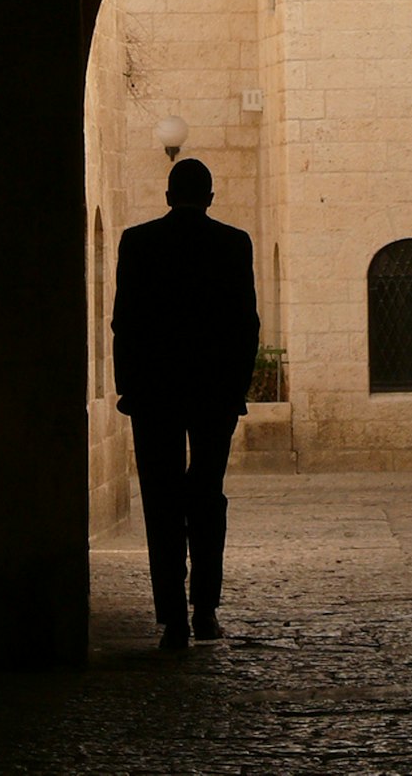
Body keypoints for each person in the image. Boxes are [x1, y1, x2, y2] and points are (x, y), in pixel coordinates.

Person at [111, 158, 260, 649]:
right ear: (211, 197)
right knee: (207, 498)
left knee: (162, 500)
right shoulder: (234, 244)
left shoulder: (138, 243)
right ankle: (205, 610)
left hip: (155, 393)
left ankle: (173, 616)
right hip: (213, 393)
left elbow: (124, 322)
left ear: (168, 195)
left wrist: (129, 386)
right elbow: (246, 324)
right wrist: (237, 387)